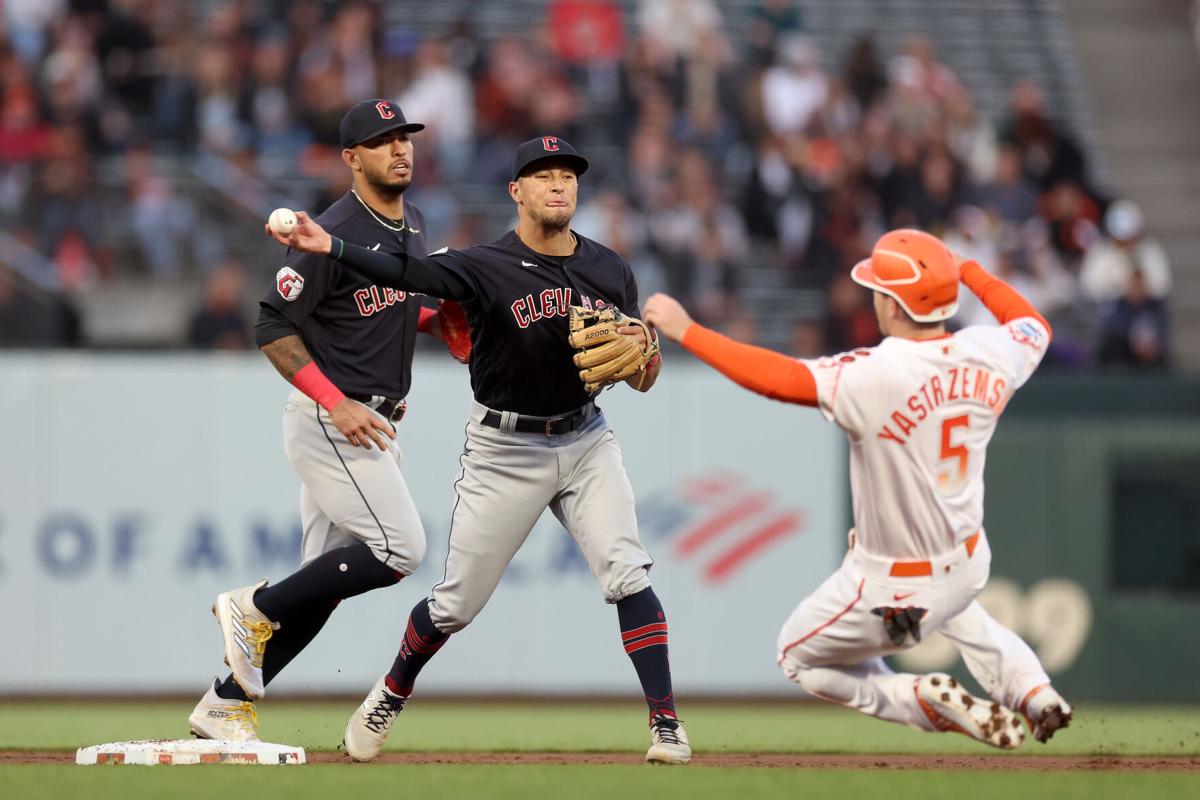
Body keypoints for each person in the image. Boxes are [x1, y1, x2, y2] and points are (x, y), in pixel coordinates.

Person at [265, 136, 691, 765]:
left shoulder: (610, 269)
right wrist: (332, 246)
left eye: (568, 176)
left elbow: (641, 375)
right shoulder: (483, 265)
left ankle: (666, 726)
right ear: (515, 192)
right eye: (542, 176)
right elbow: (408, 273)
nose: (558, 185)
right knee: (454, 604)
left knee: (627, 570)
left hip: (585, 440)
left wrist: (646, 354)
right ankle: (389, 692)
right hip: (504, 450)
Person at [643, 229, 1072, 749]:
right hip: (966, 561)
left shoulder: (876, 374)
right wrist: (970, 270)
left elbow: (778, 379)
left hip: (894, 588)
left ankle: (918, 697)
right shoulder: (990, 352)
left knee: (796, 656)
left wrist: (688, 330)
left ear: (891, 305)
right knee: (961, 612)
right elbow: (1033, 325)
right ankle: (1036, 693)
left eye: (877, 289)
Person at [188, 99, 470, 741]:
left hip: (371, 422)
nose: (400, 149)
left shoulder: (414, 222)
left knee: (322, 592)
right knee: (402, 548)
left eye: (405, 137)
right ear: (351, 158)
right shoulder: (328, 231)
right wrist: (335, 402)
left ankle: (225, 704)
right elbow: (270, 324)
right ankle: (253, 606)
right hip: (334, 417)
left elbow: (388, 308)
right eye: (382, 140)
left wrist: (433, 318)